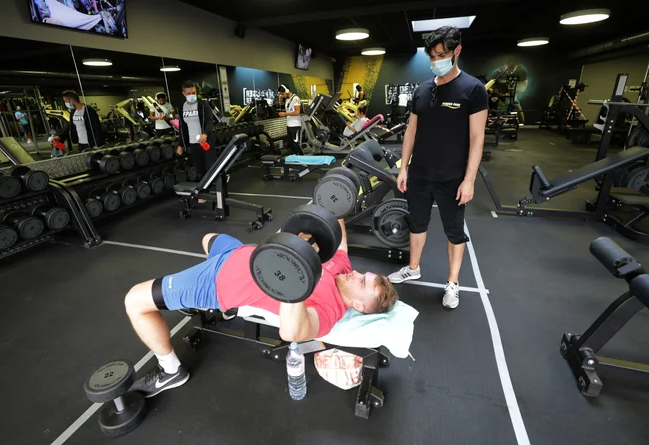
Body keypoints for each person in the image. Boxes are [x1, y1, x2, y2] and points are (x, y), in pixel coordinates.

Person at [124, 218, 399, 397]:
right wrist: (335, 209)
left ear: (358, 306)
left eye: (362, 282)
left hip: (216, 284)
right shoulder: (343, 269)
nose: (357, 274)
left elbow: (294, 331)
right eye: (365, 274)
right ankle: (216, 306)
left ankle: (171, 371)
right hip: (240, 253)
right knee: (209, 238)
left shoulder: (328, 311)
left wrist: (297, 278)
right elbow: (339, 235)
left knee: (134, 300)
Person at [388, 26, 488, 309]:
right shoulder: (422, 89)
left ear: (457, 51)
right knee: (417, 224)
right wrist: (404, 167)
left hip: (452, 177)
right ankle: (413, 267)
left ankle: (453, 282)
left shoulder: (473, 89)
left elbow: (477, 138)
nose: (436, 61)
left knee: (454, 232)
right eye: (432, 56)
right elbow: (411, 130)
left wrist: (469, 179)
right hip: (419, 173)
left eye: (441, 55)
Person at [176, 81, 215, 177]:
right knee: (200, 170)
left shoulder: (202, 105)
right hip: (193, 143)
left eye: (193, 93)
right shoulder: (182, 107)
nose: (192, 95)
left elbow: (210, 121)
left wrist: (205, 134)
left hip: (206, 141)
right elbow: (182, 127)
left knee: (212, 168)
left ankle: (217, 188)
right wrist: (181, 145)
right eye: (189, 93)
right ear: (183, 93)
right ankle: (204, 190)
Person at [277, 85, 303, 155]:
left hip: (295, 125)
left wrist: (285, 114)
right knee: (291, 145)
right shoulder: (288, 99)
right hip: (289, 125)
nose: (282, 95)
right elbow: (282, 104)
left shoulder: (295, 98)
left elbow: (297, 112)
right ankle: (295, 161)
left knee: (296, 144)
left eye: (282, 93)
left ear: (287, 91)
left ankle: (302, 159)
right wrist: (281, 98)